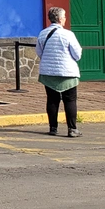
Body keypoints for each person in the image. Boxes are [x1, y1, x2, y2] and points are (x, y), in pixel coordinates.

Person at [36, 7, 84, 137]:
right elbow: (77, 54)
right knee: (70, 101)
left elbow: (39, 52)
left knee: (52, 100)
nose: (65, 19)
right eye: (64, 17)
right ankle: (72, 129)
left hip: (49, 73)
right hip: (67, 73)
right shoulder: (68, 34)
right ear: (60, 19)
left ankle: (53, 128)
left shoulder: (43, 33)